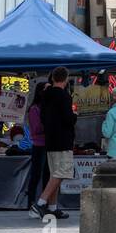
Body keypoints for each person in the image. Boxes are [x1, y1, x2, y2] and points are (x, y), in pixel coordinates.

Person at [31, 67, 75, 220]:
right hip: (63, 140)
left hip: (50, 140)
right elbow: (68, 120)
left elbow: (43, 118)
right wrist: (74, 115)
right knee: (60, 173)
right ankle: (40, 203)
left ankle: (52, 207)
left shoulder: (45, 96)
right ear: (66, 79)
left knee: (54, 173)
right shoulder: (64, 97)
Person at [25, 81, 49, 212]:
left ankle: (44, 202)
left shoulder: (45, 107)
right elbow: (36, 128)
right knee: (36, 174)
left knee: (46, 174)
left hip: (47, 144)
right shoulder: (34, 109)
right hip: (39, 144)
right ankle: (31, 202)